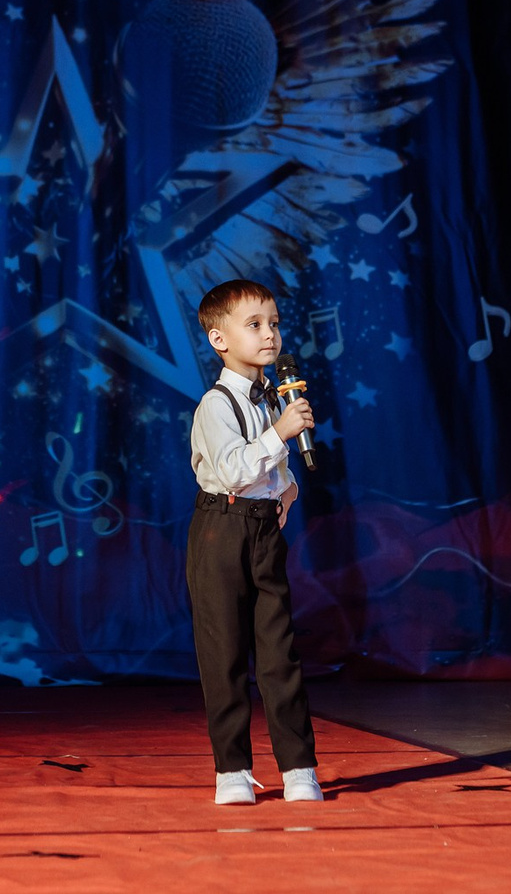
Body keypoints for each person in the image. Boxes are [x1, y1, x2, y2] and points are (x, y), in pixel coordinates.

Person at [186, 278, 322, 805]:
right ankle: (233, 772)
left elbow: (270, 470)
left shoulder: (271, 399)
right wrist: (280, 433)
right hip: (221, 529)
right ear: (220, 339)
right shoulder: (215, 404)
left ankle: (298, 768)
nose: (270, 335)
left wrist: (286, 490)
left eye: (274, 323)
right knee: (223, 651)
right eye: (255, 324)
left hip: (263, 529)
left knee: (278, 650)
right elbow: (231, 469)